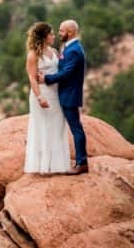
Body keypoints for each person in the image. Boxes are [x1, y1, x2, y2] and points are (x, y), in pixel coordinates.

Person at [41, 19, 88, 174]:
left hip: (70, 95)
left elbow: (67, 73)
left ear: (71, 32)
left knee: (76, 128)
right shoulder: (69, 47)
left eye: (61, 31)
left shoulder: (74, 50)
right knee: (75, 127)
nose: (59, 33)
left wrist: (47, 79)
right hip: (66, 93)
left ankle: (82, 163)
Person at [23, 22, 70, 173]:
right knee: (42, 126)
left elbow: (61, 71)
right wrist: (40, 97)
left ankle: (58, 165)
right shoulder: (33, 55)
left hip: (56, 95)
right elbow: (32, 78)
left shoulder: (55, 52)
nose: (54, 36)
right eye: (51, 34)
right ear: (44, 37)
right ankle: (43, 165)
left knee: (57, 126)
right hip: (42, 94)